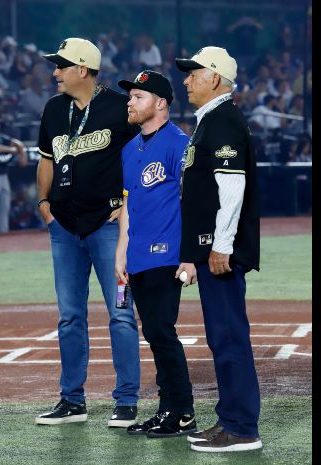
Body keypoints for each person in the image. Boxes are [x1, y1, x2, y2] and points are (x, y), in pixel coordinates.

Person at [33, 38, 142, 428]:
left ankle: (127, 400)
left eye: (61, 65)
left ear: (82, 69)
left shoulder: (118, 107)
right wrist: (43, 205)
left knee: (121, 313)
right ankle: (71, 400)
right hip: (63, 227)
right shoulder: (53, 108)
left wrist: (127, 206)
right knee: (69, 316)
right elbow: (47, 161)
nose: (55, 72)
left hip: (107, 228)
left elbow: (141, 158)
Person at [174, 46, 263, 452]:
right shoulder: (212, 121)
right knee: (222, 336)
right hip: (212, 248)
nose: (187, 79)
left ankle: (242, 428)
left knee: (228, 336)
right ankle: (230, 418)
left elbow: (232, 188)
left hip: (220, 251)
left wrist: (221, 245)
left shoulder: (223, 120)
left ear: (214, 78)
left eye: (194, 73)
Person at [114, 70, 196, 438]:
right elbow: (128, 206)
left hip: (167, 254)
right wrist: (121, 250)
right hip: (139, 256)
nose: (130, 102)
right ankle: (168, 409)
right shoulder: (130, 149)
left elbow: (193, 201)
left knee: (162, 331)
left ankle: (182, 412)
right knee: (155, 333)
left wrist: (191, 255)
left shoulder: (180, 143)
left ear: (161, 103)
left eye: (138, 97)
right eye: (130, 97)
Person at [0, 117, 27, 234]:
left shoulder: (0, 137)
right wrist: (11, 150)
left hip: (3, 174)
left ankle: (3, 232)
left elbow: (17, 143)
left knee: (4, 204)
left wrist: (22, 153)